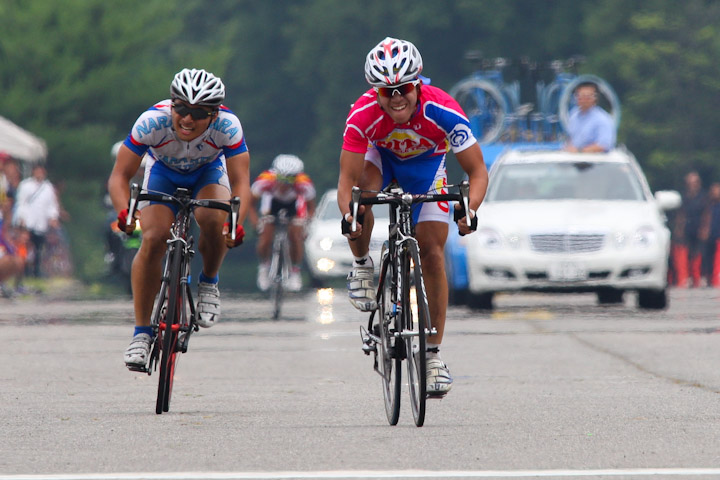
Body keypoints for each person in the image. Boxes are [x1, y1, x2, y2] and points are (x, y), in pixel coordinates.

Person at [337, 37, 488, 396]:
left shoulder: (444, 109)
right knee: (363, 196)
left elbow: (478, 172)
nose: (396, 98)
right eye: (386, 91)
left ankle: (432, 355)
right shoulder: (362, 115)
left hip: (426, 168)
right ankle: (361, 265)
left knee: (432, 252)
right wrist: (351, 217)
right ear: (376, 92)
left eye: (404, 88)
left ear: (418, 84)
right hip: (380, 160)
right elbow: (346, 182)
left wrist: (469, 210)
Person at [108, 68, 251, 370]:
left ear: (214, 115)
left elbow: (241, 184)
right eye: (182, 109)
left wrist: (235, 223)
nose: (187, 119)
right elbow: (119, 176)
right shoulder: (151, 122)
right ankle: (141, 333)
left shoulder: (229, 127)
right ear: (172, 104)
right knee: (153, 238)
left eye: (198, 113)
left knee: (213, 219)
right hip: (162, 174)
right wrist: (125, 212)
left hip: (207, 174)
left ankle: (209, 282)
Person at [249, 154, 316, 292]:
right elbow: (251, 204)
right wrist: (256, 223)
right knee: (265, 237)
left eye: (290, 179)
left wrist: (306, 226)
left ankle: (295, 271)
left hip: (293, 204)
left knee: (296, 235)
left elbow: (311, 208)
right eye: (281, 178)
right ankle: (264, 267)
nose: (285, 183)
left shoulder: (304, 183)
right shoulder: (265, 180)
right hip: (271, 202)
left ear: (297, 177)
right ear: (275, 174)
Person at [12, 164, 61, 277]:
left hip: (41, 222)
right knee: (26, 247)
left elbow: (51, 205)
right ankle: (25, 270)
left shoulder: (48, 187)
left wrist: (53, 217)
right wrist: (21, 218)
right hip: (28, 221)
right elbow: (21, 203)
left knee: (38, 248)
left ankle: (37, 270)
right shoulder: (25, 185)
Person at [565, 81, 616, 153]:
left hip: (596, 161)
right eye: (580, 96)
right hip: (573, 160)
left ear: (595, 98)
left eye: (587, 96)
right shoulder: (573, 116)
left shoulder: (603, 119)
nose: (583, 100)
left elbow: (604, 145)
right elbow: (570, 139)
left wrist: (580, 151)